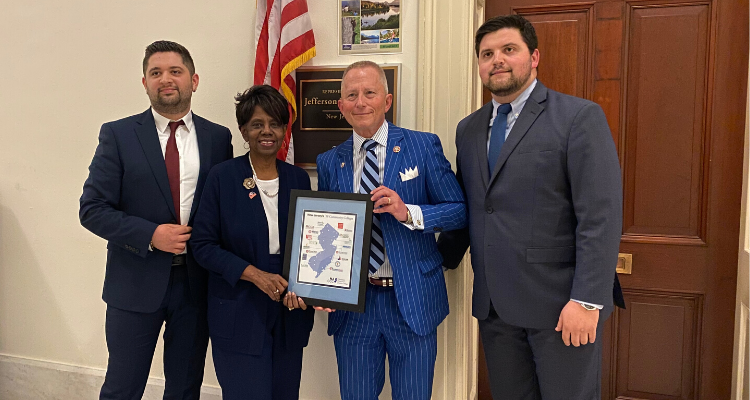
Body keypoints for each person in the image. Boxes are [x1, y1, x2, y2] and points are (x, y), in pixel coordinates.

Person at [437, 15, 625, 400]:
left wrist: (587, 300)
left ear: (534, 57)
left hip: (561, 308)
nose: (497, 60)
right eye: (487, 54)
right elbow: (472, 206)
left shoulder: (577, 117)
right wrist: (430, 259)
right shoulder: (468, 129)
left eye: (509, 50)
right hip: (495, 310)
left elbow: (600, 218)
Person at [79, 40, 233, 399]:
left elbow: (221, 211)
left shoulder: (217, 138)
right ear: (145, 83)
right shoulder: (118, 135)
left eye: (175, 71)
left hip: (196, 286)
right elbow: (92, 209)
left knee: (184, 388)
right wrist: (151, 235)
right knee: (123, 387)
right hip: (134, 283)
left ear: (194, 81)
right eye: (156, 73)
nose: (166, 79)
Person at [316, 61, 467, 400]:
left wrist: (407, 211)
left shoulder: (422, 146)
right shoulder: (330, 161)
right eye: (351, 95)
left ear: (387, 100)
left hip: (411, 300)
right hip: (355, 306)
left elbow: (459, 212)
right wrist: (322, 285)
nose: (360, 102)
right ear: (341, 106)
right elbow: (326, 230)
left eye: (369, 93)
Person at [189, 85, 315, 400]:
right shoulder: (222, 177)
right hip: (239, 309)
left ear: (285, 129)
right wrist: (255, 275)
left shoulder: (298, 179)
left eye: (274, 123)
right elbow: (203, 246)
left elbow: (308, 244)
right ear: (244, 130)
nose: (266, 131)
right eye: (257, 124)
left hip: (289, 312)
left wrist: (309, 285)